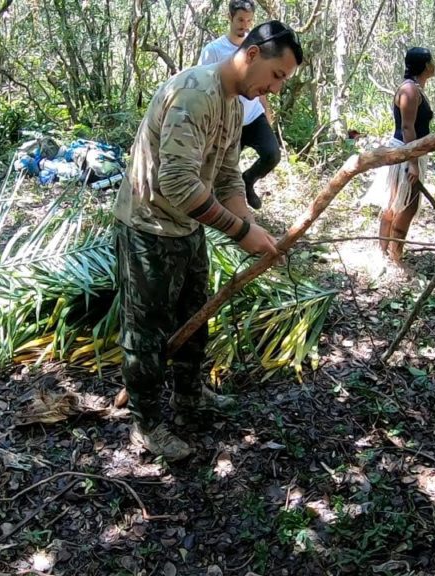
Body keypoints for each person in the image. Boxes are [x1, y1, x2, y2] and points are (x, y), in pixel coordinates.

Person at [115, 21, 303, 461]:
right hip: (148, 226)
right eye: (276, 76)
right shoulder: (197, 93)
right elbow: (178, 183)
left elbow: (225, 174)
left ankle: (189, 400)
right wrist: (240, 232)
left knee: (195, 317)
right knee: (146, 333)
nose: (275, 89)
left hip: (186, 227)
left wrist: (247, 219)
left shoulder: (236, 104)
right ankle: (146, 424)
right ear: (252, 55)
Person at [359, 47, 435, 273]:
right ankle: (393, 255)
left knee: (397, 204)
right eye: (431, 61)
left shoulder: (415, 89)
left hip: (411, 153)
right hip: (405, 153)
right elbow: (406, 127)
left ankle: (386, 251)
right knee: (404, 207)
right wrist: (411, 161)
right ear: (425, 65)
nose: (434, 65)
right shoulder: (410, 90)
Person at [198, 0, 279, 210]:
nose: (245, 25)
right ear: (230, 18)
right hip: (227, 120)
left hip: (253, 116)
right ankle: (219, 207)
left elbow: (261, 82)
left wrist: (266, 110)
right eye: (241, 20)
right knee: (224, 167)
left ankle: (249, 180)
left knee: (272, 154)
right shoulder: (214, 49)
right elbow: (204, 84)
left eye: (249, 20)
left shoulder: (256, 49)